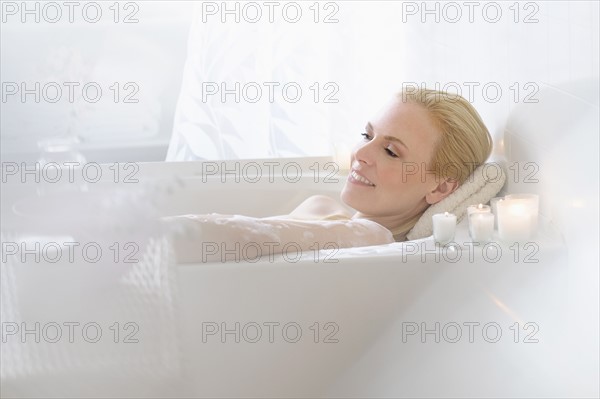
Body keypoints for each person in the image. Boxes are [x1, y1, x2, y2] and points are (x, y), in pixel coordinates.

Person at [167, 88, 493, 263]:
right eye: (367, 136)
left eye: (391, 151)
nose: (361, 155)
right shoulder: (322, 206)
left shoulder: (369, 240)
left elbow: (230, 239)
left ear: (441, 186)